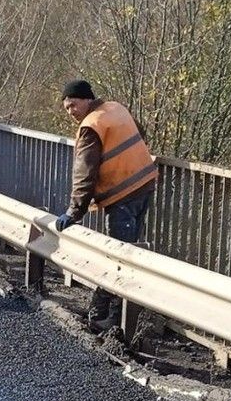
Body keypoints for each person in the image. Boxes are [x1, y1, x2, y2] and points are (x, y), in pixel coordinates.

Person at [55, 80, 158, 332]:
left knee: (117, 257)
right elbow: (139, 134)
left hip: (122, 193)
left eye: (73, 105)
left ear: (87, 99)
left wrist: (74, 212)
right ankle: (118, 313)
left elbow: (84, 174)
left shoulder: (91, 127)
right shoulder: (116, 109)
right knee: (129, 251)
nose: (71, 112)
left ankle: (103, 316)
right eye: (66, 108)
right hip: (144, 182)